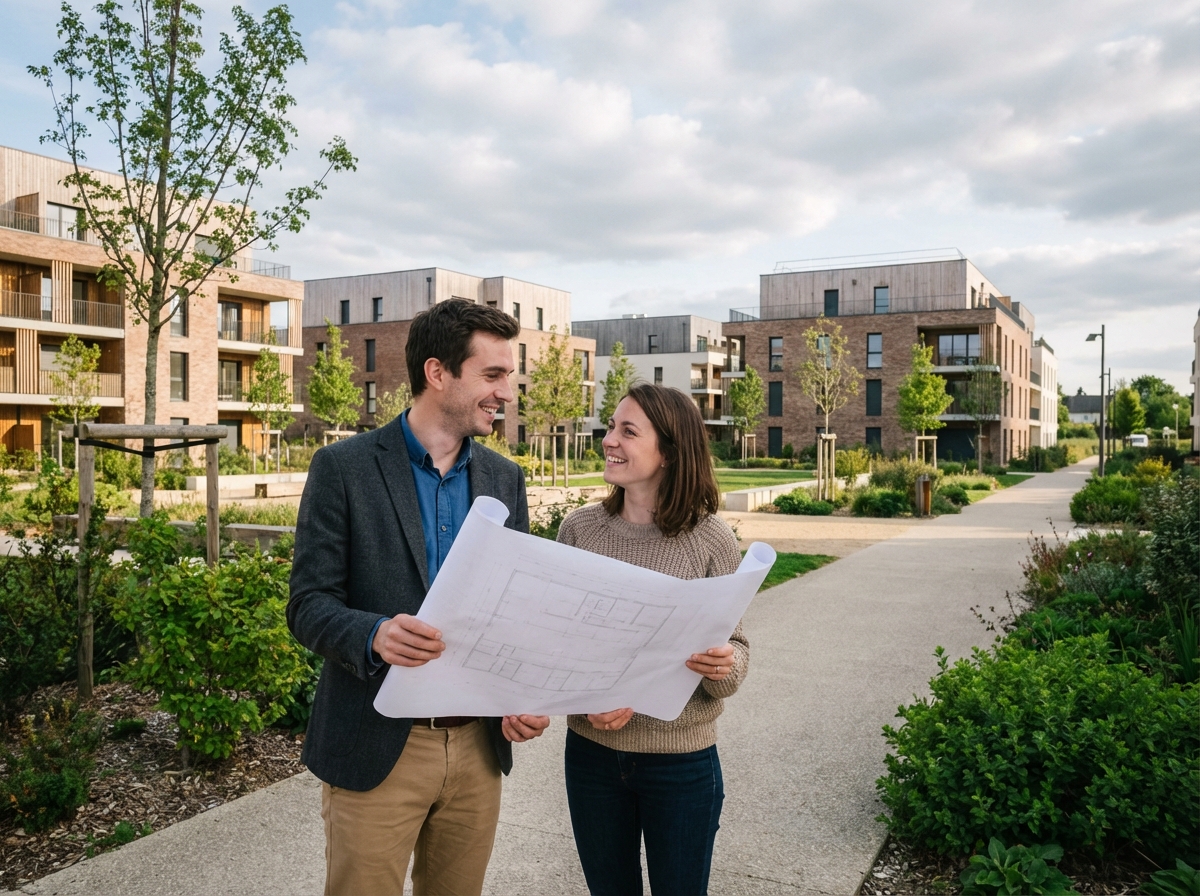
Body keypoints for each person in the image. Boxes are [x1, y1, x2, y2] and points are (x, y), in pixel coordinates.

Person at [288, 300, 550, 896]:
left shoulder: (504, 480)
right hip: (377, 746)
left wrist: (520, 694)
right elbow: (308, 604)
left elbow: (514, 614)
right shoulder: (343, 468)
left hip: (479, 751)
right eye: (492, 375)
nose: (506, 392)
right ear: (438, 373)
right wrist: (374, 633)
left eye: (507, 376)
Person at [556, 383, 748, 896]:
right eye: (611, 427)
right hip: (592, 757)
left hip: (682, 764)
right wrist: (585, 698)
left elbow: (738, 650)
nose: (608, 440)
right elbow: (557, 641)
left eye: (627, 430)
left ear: (668, 452)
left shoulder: (712, 541)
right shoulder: (579, 531)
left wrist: (724, 666)